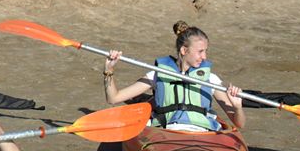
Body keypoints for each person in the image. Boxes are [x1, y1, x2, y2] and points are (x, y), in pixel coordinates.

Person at [102, 21, 246, 132]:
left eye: (205, 51)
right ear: (184, 50)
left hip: (202, 134)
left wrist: (237, 107)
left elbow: (239, 123)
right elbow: (113, 98)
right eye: (200, 51)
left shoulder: (211, 80)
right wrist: (109, 69)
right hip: (168, 132)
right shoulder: (157, 74)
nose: (204, 57)